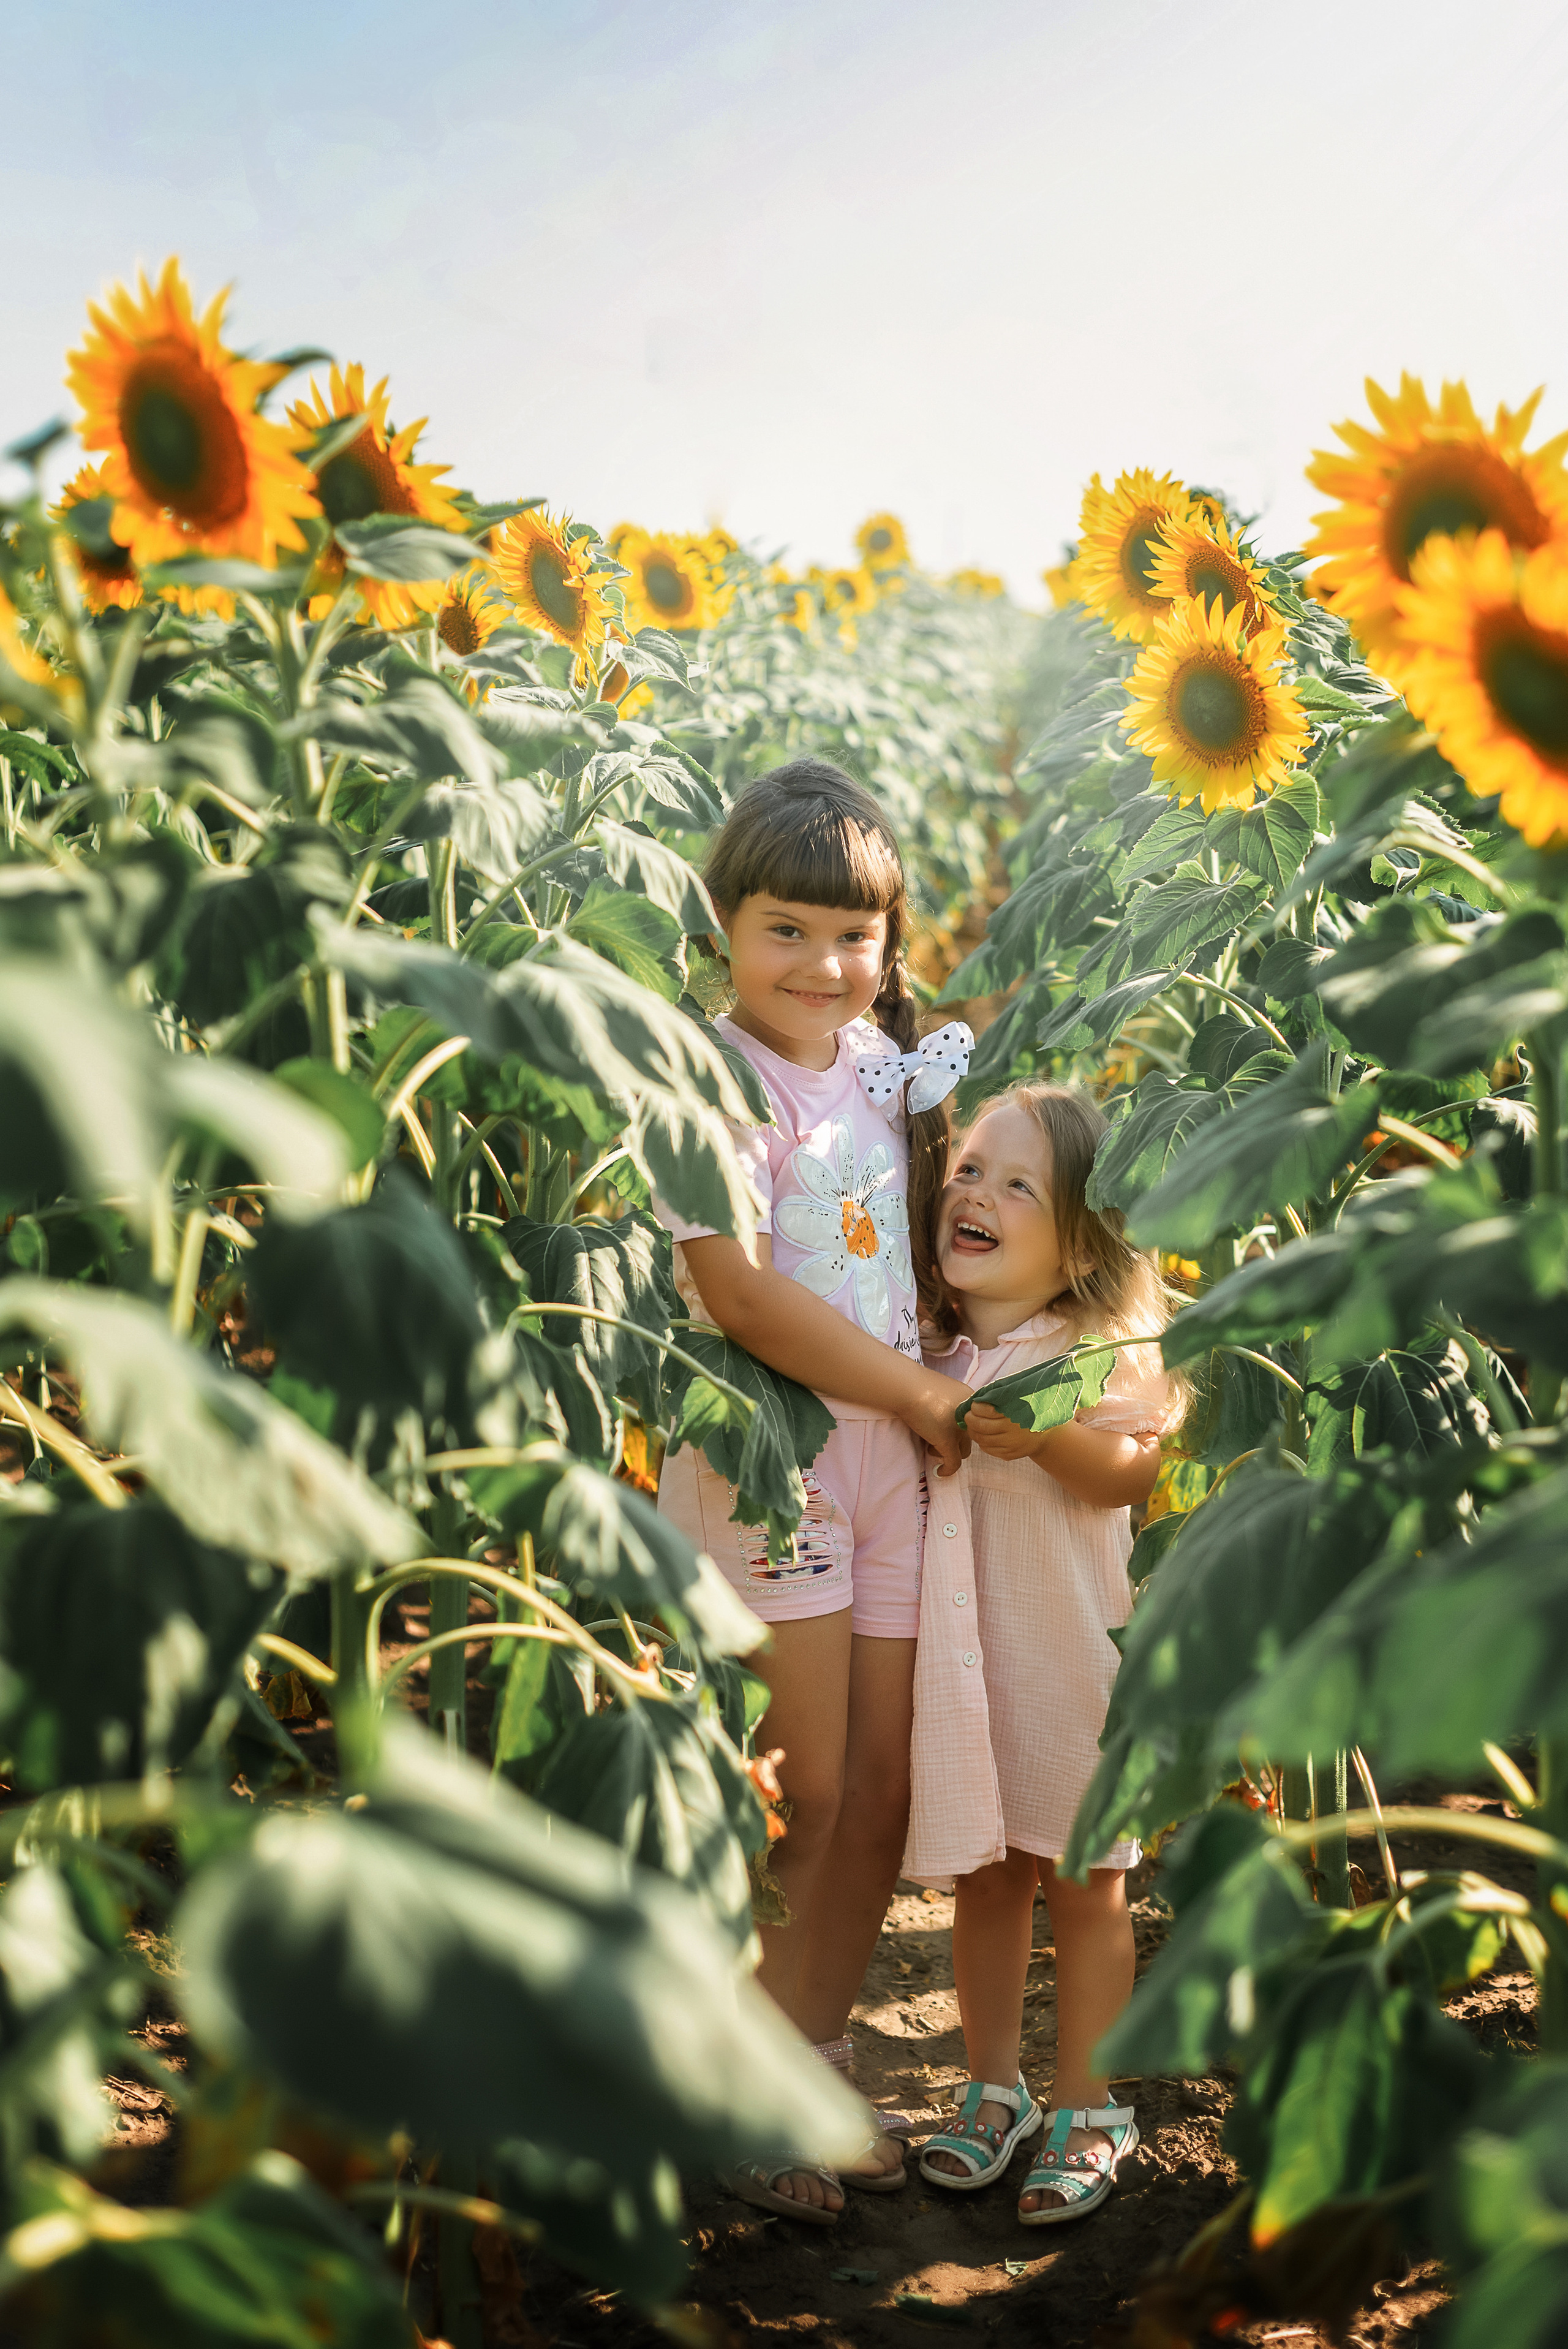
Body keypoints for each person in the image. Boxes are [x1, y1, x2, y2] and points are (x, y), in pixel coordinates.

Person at [654, 757, 974, 2225]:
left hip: (894, 1462)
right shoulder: (709, 1081)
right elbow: (731, 1290)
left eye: (853, 937)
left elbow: (904, 1236)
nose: (822, 964)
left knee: (887, 1796)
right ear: (722, 928)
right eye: (785, 930)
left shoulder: (875, 1069)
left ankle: (814, 2051)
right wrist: (915, 1391)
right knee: (804, 1791)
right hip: (769, 1450)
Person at [905, 1084, 1185, 2225]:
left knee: (1086, 1879)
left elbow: (1133, 1478)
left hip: (1072, 1658)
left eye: (1020, 1184)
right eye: (970, 1169)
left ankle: (1089, 2100)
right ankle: (992, 2086)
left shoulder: (1105, 1348)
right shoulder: (926, 1343)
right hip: (964, 1666)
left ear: (1082, 1239)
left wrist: (1048, 1435)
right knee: (986, 1875)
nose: (977, 1193)